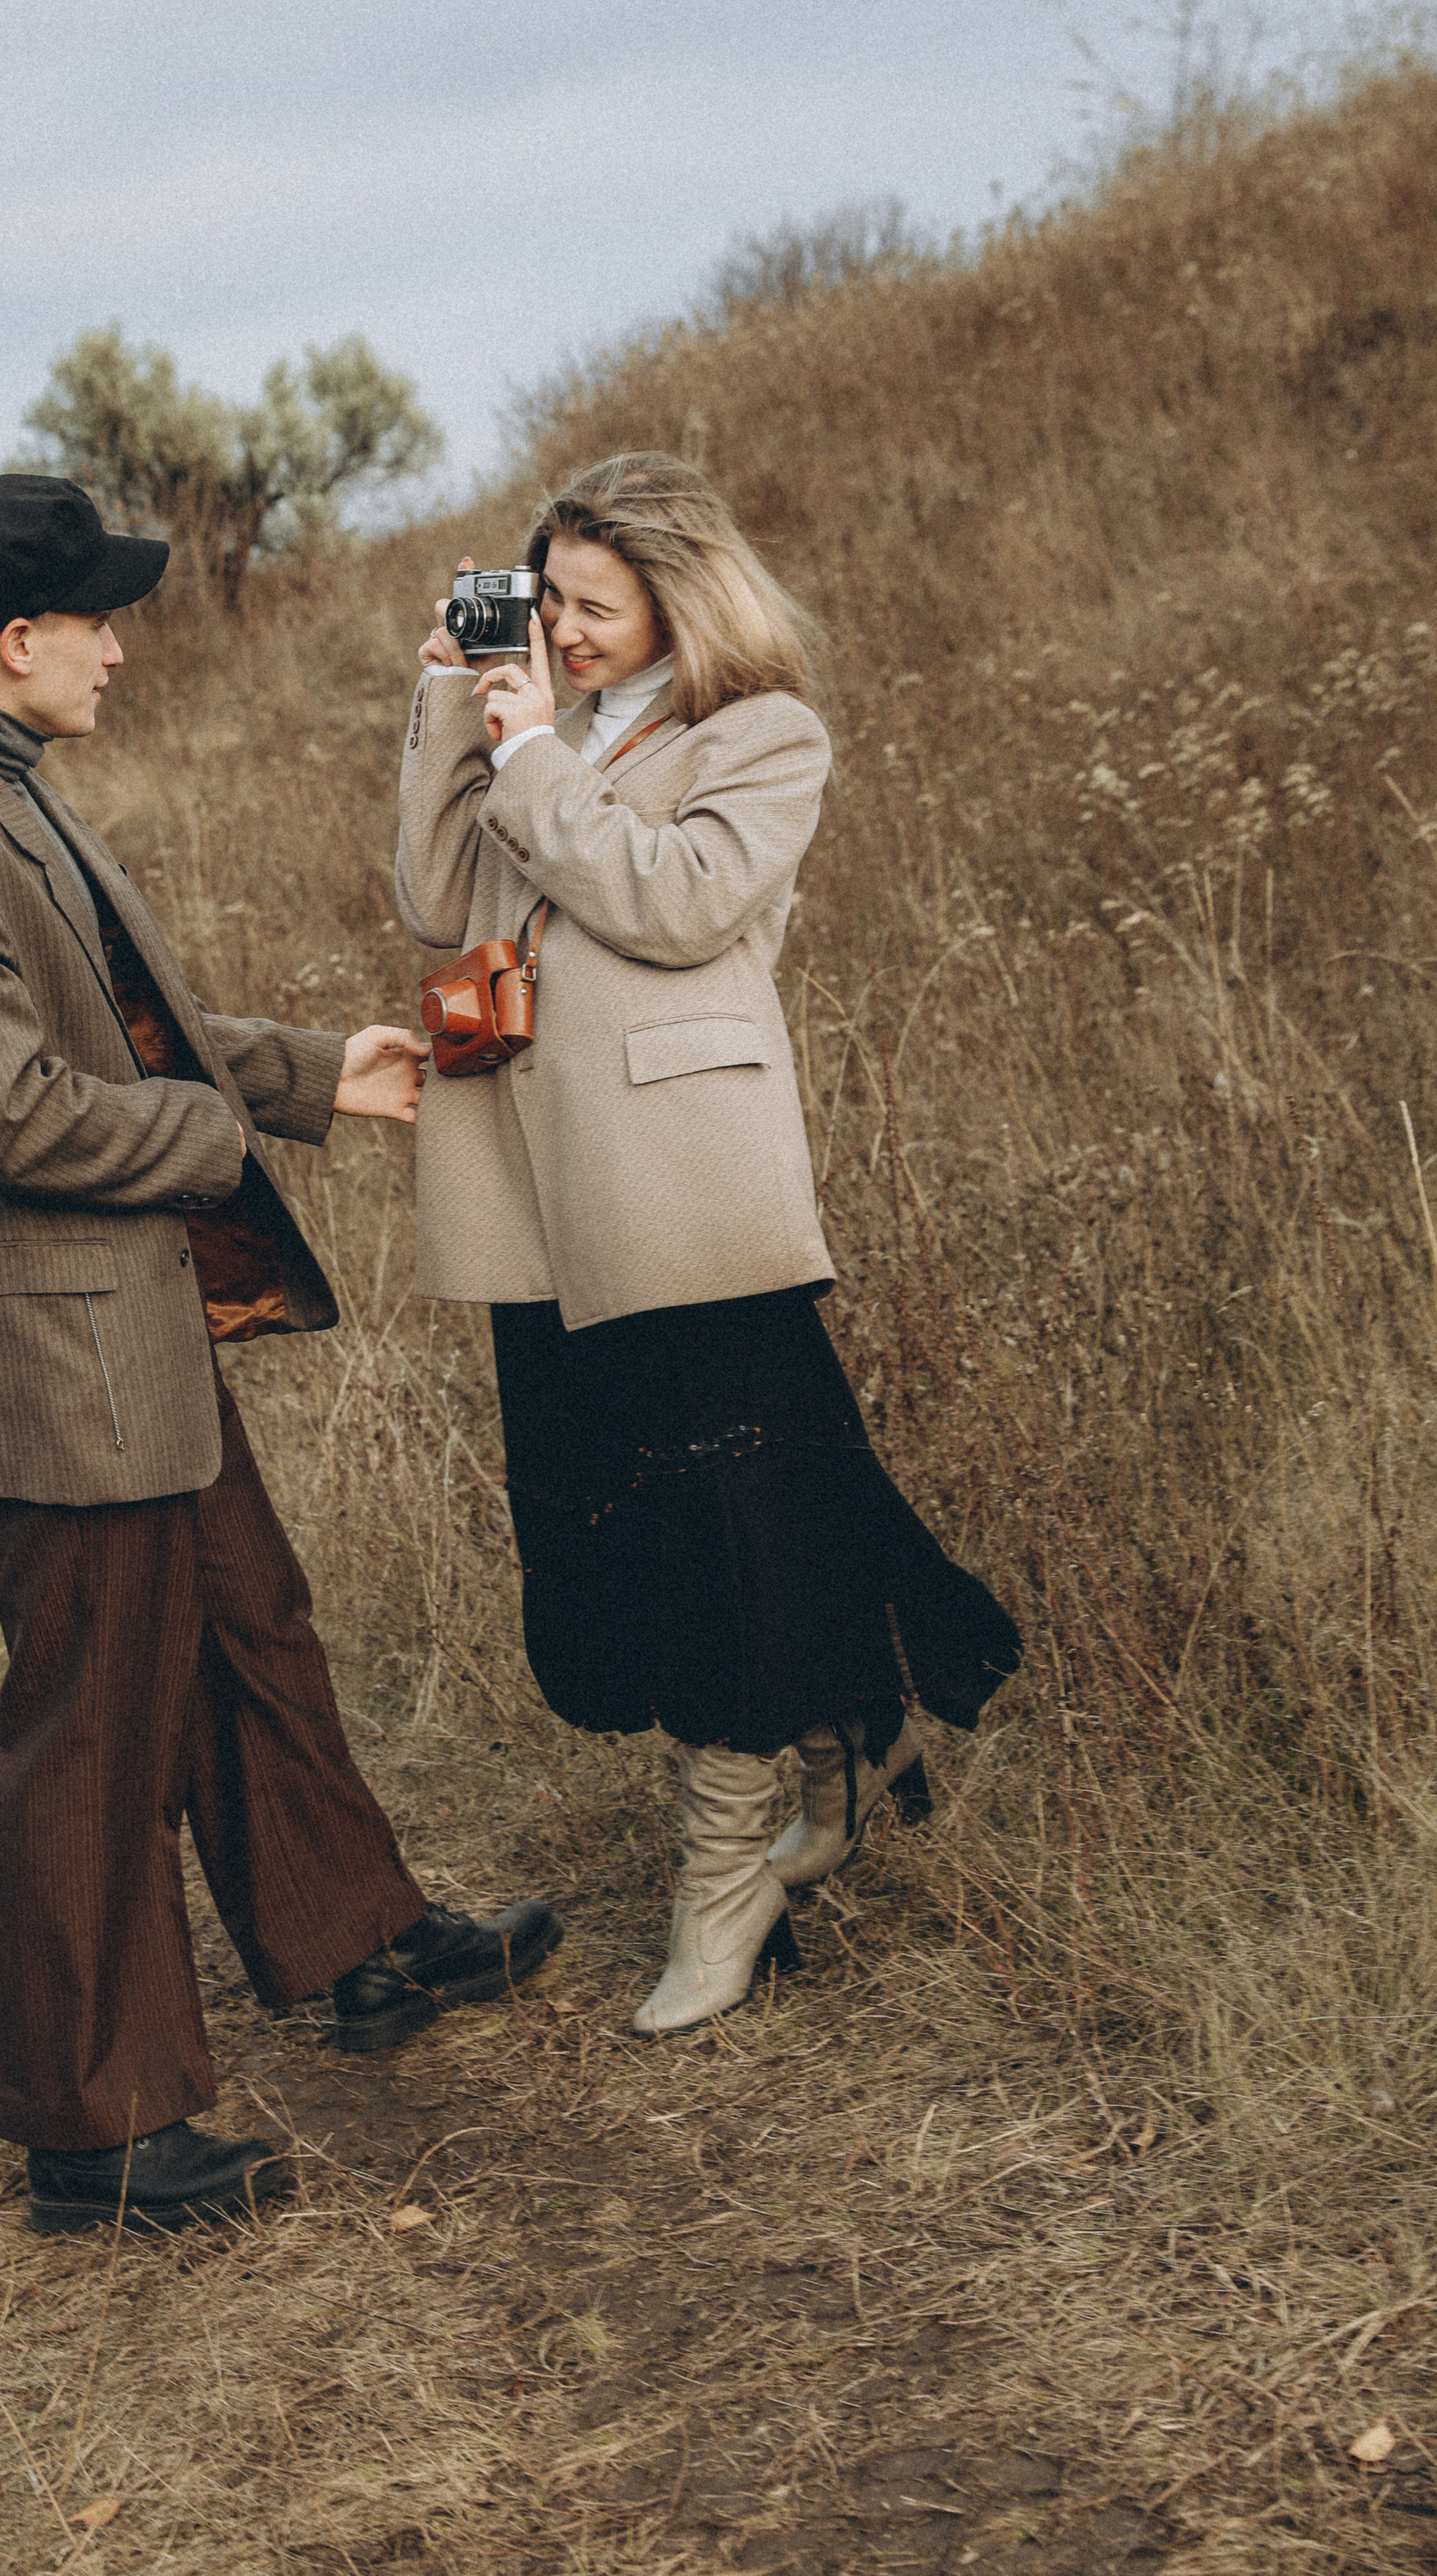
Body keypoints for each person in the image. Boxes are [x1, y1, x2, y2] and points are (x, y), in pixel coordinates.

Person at [0, 473, 561, 2236]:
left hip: (109, 1320)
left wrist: (315, 1072)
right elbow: (11, 1114)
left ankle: (355, 1947)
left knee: (244, 1622)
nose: (120, 651)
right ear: (16, 640)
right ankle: (94, 2126)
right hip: (46, 1346)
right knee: (94, 1721)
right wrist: (224, 1140)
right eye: (98, 621)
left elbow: (123, 1026)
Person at [395, 453, 1020, 2036]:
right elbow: (427, 899)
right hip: (535, 1189)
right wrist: (445, 720)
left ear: (680, 598)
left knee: (722, 1530)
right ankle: (832, 1742)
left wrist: (536, 754)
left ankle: (723, 1872)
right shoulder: (525, 723)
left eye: (591, 606)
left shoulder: (762, 736)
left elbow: (674, 904)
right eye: (542, 601)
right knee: (610, 1518)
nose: (561, 629)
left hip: (679, 1191)